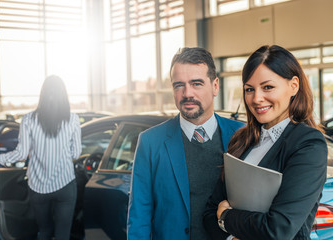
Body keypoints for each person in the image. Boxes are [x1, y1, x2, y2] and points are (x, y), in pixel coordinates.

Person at [203, 45, 327, 240]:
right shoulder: (241, 140)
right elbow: (210, 211)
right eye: (249, 89)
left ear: (294, 86)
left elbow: (278, 229)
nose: (257, 98)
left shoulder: (308, 144)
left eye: (268, 87)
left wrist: (226, 218)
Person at [127, 47, 244, 240]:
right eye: (179, 85)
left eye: (196, 84)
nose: (187, 93)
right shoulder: (150, 142)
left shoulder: (241, 135)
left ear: (215, 86)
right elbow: (139, 216)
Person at [0, 75, 82, 240]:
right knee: (63, 235)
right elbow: (76, 153)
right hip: (65, 185)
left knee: (44, 231)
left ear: (42, 95)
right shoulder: (73, 120)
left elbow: (21, 154)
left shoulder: (28, 120)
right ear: (64, 95)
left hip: (38, 187)